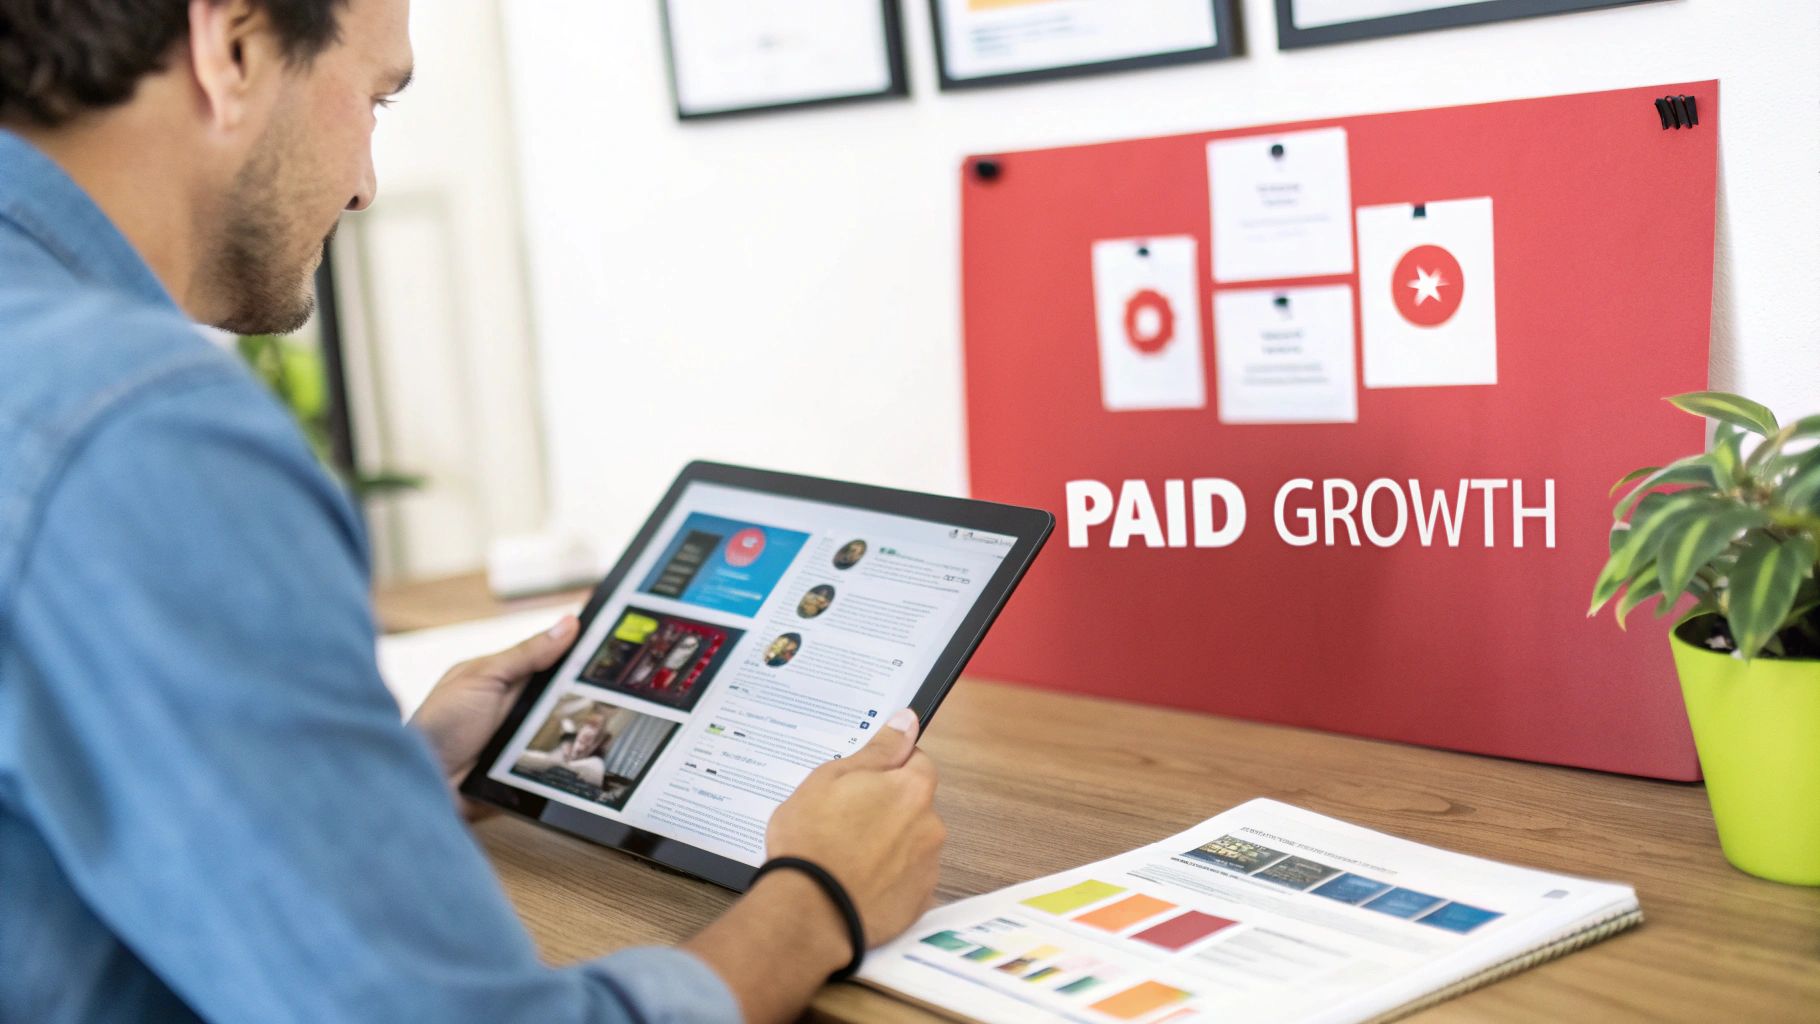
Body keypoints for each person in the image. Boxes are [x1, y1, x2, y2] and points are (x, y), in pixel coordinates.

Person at [0, 3, 945, 1023]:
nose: (365, 184)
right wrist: (819, 897)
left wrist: (381, 785)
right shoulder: (136, 429)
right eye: (376, 97)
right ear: (228, 46)